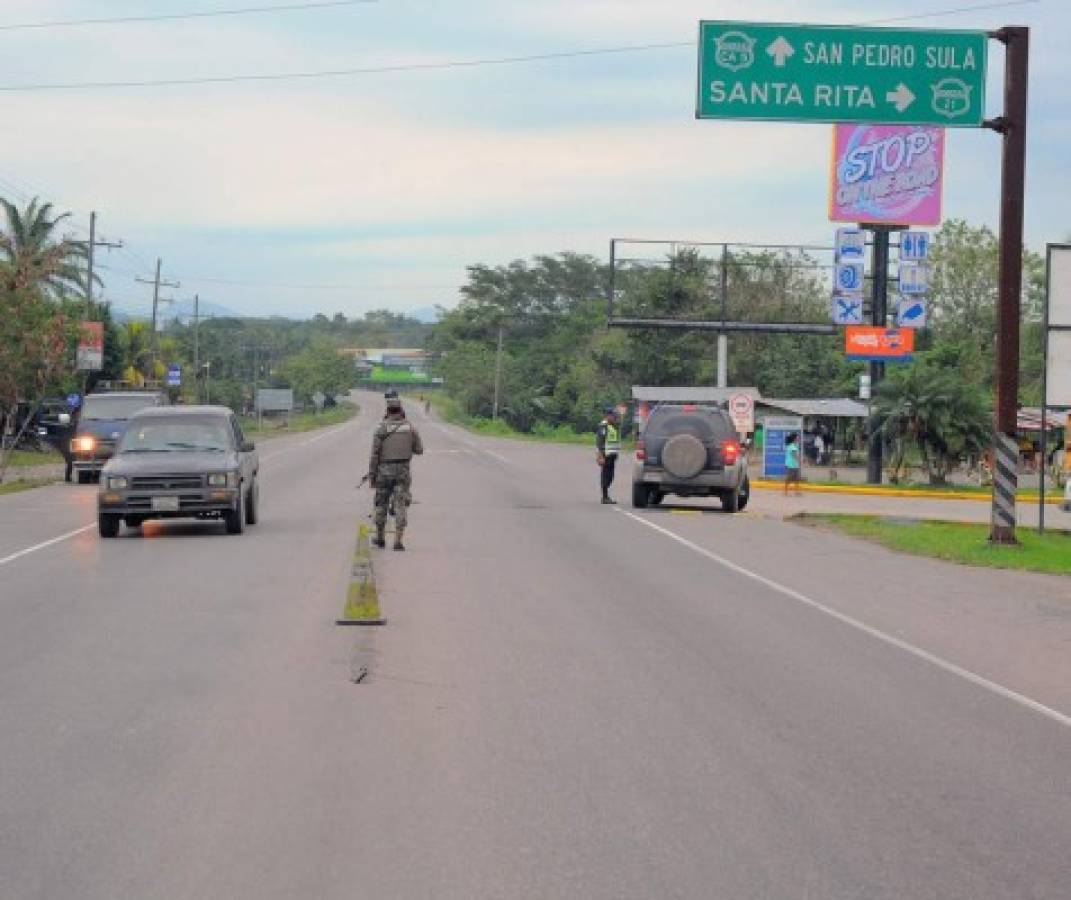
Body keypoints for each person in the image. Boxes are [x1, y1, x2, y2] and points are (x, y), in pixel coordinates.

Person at [368, 393, 424, 550]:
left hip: (383, 472)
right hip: (403, 472)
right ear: (401, 410)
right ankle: (398, 541)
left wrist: (372, 476)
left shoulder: (381, 428)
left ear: (388, 410)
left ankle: (380, 538)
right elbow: (419, 450)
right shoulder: (410, 428)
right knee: (401, 505)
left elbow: (374, 455)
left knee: (381, 504)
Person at [595, 406, 621, 504]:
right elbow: (600, 442)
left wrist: (616, 453)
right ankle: (605, 497)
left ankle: (606, 496)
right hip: (606, 455)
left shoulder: (612, 426)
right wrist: (600, 456)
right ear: (608, 416)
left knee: (610, 476)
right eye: (613, 416)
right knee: (606, 476)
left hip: (612, 455)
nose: (615, 418)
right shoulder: (603, 426)